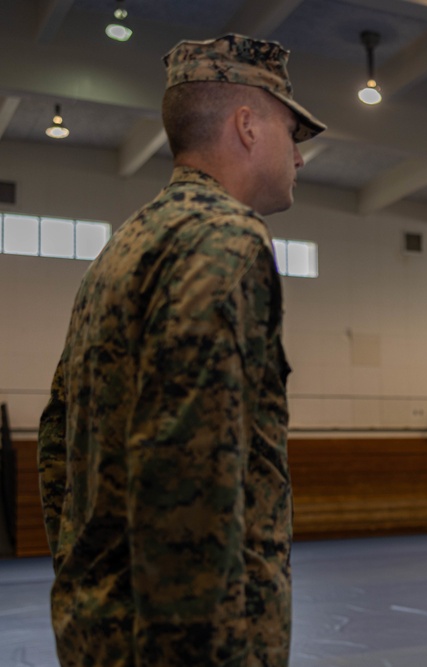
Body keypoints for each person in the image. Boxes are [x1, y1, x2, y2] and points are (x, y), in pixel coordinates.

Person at [36, 34, 325, 667]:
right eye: (290, 131)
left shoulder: (122, 249)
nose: (300, 159)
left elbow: (58, 441)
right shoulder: (226, 237)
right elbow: (189, 471)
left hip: (101, 633)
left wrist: (90, 588)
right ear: (247, 126)